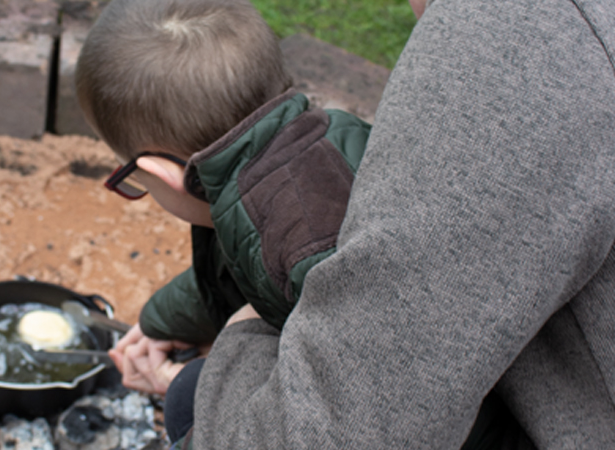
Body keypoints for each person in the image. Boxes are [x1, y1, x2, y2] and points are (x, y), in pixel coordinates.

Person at [75, 0, 529, 447]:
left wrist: (201, 398)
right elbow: (233, 263)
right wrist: (158, 320)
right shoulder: (299, 149)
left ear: (160, 174)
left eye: (129, 180)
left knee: (186, 400)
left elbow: (367, 415)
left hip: (461, 421)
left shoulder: (306, 247)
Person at [179, 0, 613, 448]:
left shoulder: (517, 36)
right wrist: (166, 320)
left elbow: (350, 425)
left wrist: (239, 339)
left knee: (187, 397)